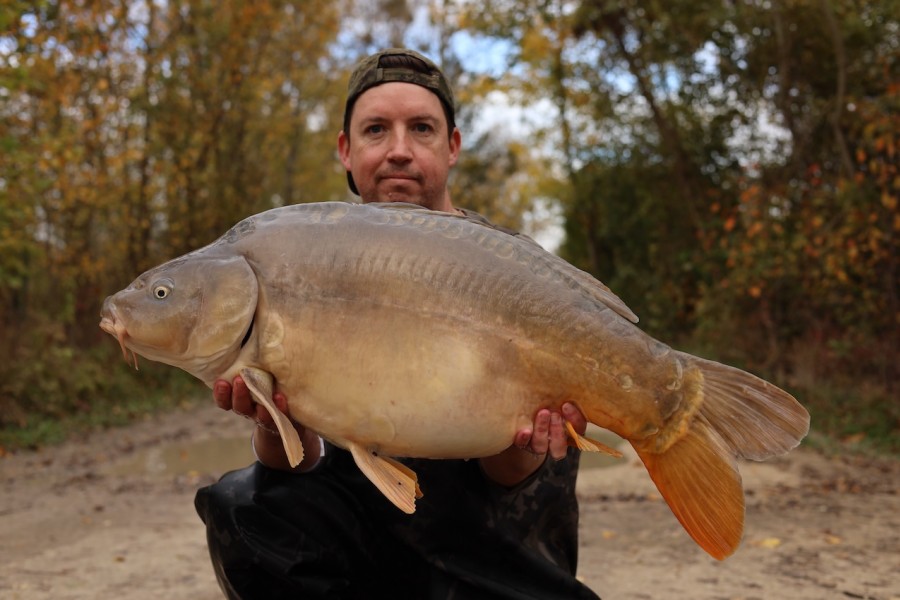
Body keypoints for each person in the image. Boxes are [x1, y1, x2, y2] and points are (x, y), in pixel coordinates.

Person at [194, 48, 601, 600]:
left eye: (422, 129)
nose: (399, 151)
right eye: (377, 130)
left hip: (494, 550)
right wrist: (274, 420)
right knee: (244, 504)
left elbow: (513, 484)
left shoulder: (510, 269)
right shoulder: (311, 259)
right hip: (369, 539)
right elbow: (304, 464)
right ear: (346, 149)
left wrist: (527, 441)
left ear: (452, 146)